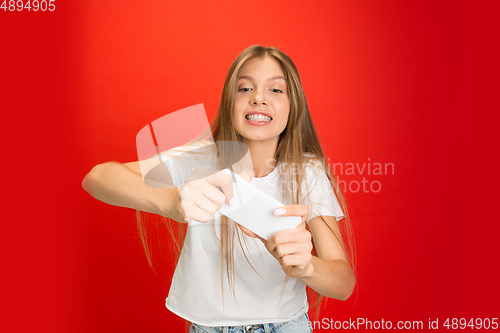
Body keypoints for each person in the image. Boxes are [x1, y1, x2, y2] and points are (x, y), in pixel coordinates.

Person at [82, 45, 356, 332]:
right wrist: (171, 201)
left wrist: (308, 267)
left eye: (276, 90)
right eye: (245, 88)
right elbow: (96, 178)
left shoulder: (308, 172)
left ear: (293, 106)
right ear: (229, 102)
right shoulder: (198, 160)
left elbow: (343, 282)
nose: (259, 98)